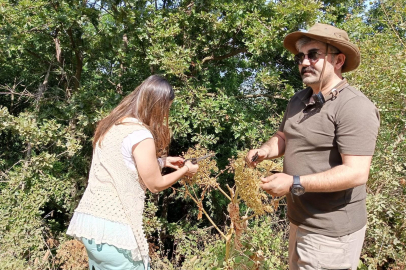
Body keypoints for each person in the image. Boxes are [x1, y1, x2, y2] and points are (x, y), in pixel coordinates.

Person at [246, 23, 380, 270]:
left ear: (338, 61)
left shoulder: (354, 106)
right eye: (300, 57)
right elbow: (284, 137)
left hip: (331, 232)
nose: (304, 62)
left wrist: (293, 183)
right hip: (299, 222)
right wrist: (264, 151)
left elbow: (357, 172)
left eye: (313, 55)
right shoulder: (298, 99)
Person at [67, 75, 199, 270]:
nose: (165, 115)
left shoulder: (113, 124)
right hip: (114, 231)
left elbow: (121, 163)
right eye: (166, 109)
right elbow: (155, 185)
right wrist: (187, 169)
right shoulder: (141, 134)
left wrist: (162, 161)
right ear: (157, 105)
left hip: (91, 226)